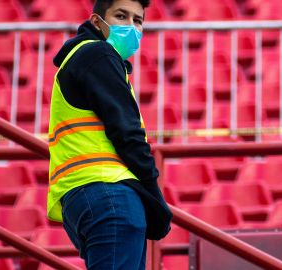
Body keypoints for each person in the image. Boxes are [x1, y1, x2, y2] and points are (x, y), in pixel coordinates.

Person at [47, 0, 172, 269]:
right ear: (96, 22)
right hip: (108, 193)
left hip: (83, 195)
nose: (131, 26)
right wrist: (154, 195)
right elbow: (128, 133)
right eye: (120, 16)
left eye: (137, 20)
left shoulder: (83, 58)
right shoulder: (98, 55)